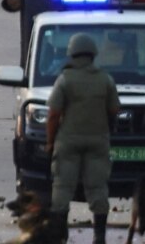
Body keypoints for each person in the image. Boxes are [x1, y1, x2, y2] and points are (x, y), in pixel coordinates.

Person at [45, 34, 120, 244]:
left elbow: (53, 115)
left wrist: (50, 142)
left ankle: (60, 236)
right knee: (98, 187)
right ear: (93, 54)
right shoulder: (105, 79)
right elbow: (114, 109)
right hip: (98, 140)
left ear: (72, 54)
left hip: (68, 140)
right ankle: (99, 236)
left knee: (62, 187)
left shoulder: (65, 79)